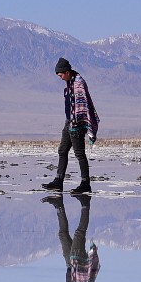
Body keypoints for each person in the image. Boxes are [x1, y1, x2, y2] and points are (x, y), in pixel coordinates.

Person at [42, 193, 101, 282]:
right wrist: (89, 258)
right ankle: (85, 203)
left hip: (70, 264)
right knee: (79, 233)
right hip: (79, 262)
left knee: (62, 234)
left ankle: (58, 205)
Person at [41, 57, 99, 194]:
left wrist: (77, 123)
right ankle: (58, 182)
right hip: (69, 122)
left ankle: (85, 183)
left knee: (79, 154)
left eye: (61, 75)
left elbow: (82, 105)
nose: (60, 78)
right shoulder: (70, 82)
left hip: (77, 125)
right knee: (62, 151)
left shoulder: (78, 83)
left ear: (67, 72)